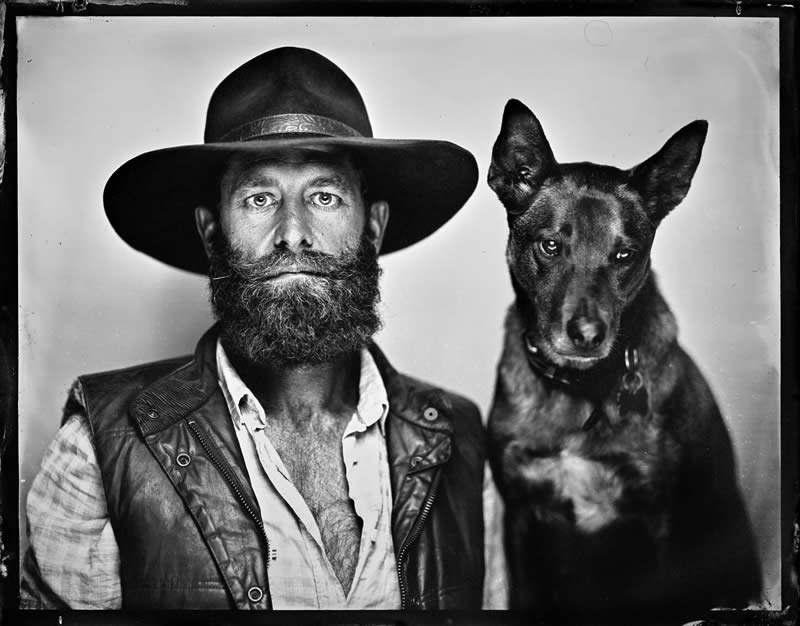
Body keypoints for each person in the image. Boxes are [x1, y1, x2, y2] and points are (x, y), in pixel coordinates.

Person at [21, 46, 486, 610]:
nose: (293, 232)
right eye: (260, 197)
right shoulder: (101, 440)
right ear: (212, 233)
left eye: (325, 195)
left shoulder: (462, 441)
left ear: (374, 226)